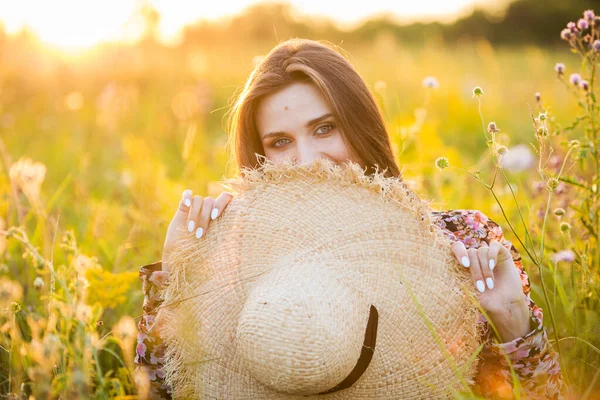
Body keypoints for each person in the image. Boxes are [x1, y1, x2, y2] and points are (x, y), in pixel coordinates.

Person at [134, 38, 565, 399]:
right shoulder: (229, 265)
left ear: (362, 125)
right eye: (281, 142)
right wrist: (175, 276)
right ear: (260, 157)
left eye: (325, 128)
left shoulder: (460, 246)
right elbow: (167, 390)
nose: (308, 160)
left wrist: (514, 323)